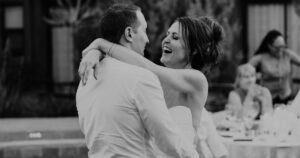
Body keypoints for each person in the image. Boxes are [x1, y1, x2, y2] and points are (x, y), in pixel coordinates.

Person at [80, 15, 228, 158]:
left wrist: (101, 43)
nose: (166, 40)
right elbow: (126, 61)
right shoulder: (153, 79)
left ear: (193, 50)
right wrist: (95, 53)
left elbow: (146, 66)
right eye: (167, 35)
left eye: (175, 37)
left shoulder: (197, 79)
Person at [249, 29, 300, 105]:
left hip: (286, 96)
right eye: (277, 47)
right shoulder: (261, 57)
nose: (281, 50)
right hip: (267, 98)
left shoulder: (287, 54)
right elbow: (245, 69)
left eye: (283, 46)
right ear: (269, 46)